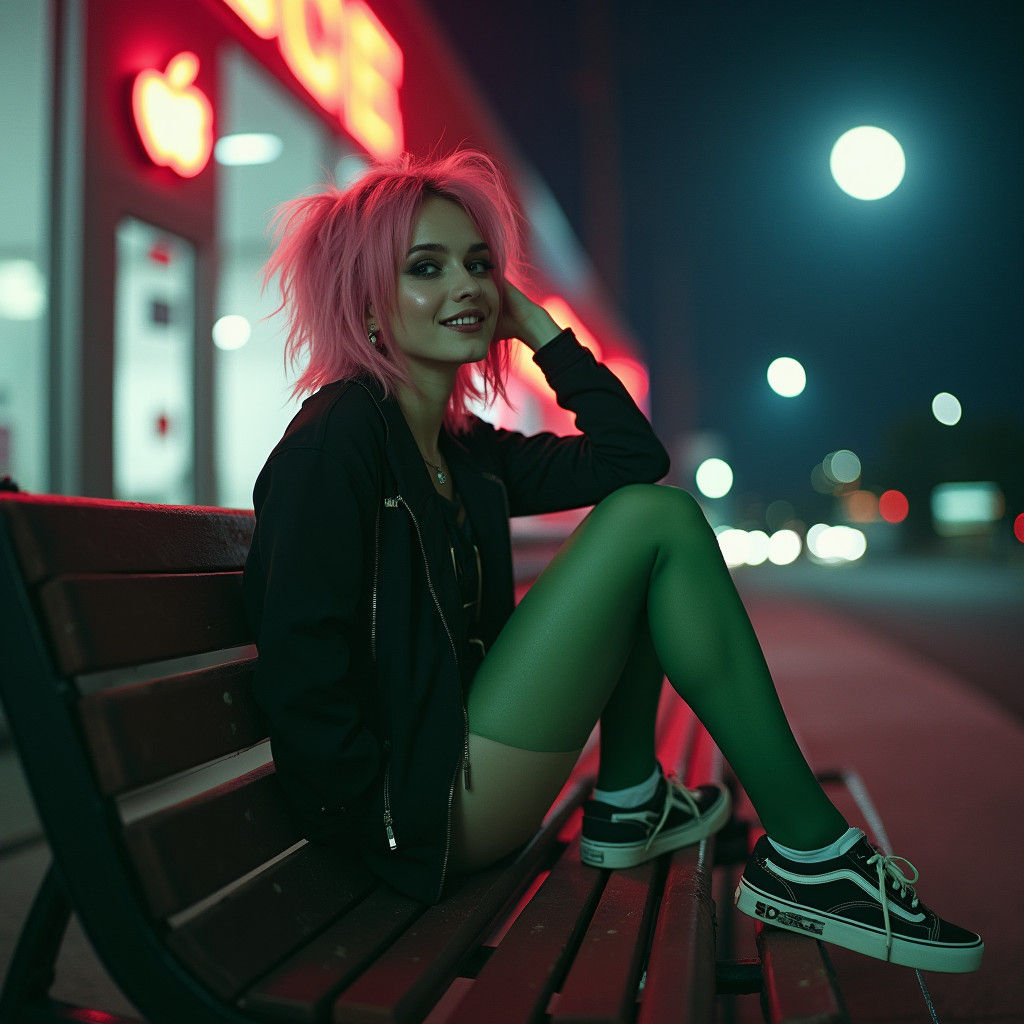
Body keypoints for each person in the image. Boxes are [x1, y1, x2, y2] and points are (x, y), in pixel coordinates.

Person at [242, 148, 982, 974]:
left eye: (479, 264)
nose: (469, 287)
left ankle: (631, 800)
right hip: (422, 815)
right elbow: (301, 670)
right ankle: (811, 854)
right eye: (426, 268)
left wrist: (541, 330)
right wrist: (380, 835)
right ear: (367, 305)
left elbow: (632, 456)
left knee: (645, 517)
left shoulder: (465, 450)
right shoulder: (335, 445)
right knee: (652, 524)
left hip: (463, 771)